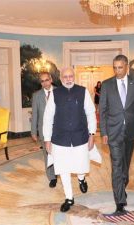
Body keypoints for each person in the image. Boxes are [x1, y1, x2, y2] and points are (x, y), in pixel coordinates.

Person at [99, 54, 134, 215]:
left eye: (120, 67)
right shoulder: (106, 85)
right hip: (113, 132)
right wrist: (104, 132)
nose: (117, 70)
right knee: (117, 166)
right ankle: (120, 201)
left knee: (125, 168)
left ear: (126, 66)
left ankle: (122, 185)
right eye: (114, 67)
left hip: (131, 131)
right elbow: (103, 111)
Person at [43, 67, 97, 212]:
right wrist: (47, 139)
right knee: (63, 168)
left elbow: (91, 113)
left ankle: (81, 178)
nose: (68, 79)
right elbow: (48, 117)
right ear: (61, 79)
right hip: (60, 138)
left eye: (70, 76)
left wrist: (92, 134)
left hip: (80, 136)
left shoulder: (82, 91)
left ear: (74, 77)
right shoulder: (55, 94)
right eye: (65, 77)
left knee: (81, 164)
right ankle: (69, 198)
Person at [31, 72, 57, 188]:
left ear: (51, 79)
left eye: (47, 80)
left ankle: (60, 171)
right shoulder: (36, 95)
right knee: (47, 153)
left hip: (58, 129)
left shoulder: (59, 92)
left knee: (59, 153)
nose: (45, 83)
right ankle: (52, 177)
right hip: (44, 130)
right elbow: (35, 114)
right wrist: (33, 131)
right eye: (42, 81)